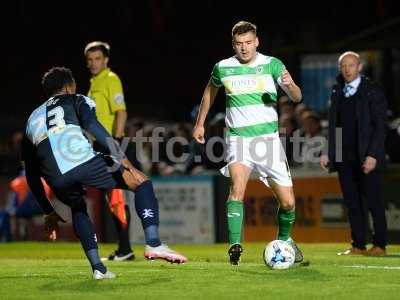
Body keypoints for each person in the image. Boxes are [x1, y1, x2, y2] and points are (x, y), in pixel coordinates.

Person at [22, 67, 187, 279]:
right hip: (81, 160)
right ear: (68, 86)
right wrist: (122, 157)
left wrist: (48, 210)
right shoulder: (76, 99)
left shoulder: (31, 118)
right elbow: (93, 126)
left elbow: (31, 171)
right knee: (141, 182)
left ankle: (98, 268)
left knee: (78, 208)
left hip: (54, 175)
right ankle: (154, 243)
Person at [192, 21, 303, 265]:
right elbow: (209, 92)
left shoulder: (272, 65)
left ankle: (284, 241)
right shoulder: (223, 68)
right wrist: (200, 123)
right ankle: (235, 245)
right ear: (233, 44)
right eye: (239, 44)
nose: (244, 48)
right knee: (237, 189)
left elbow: (296, 97)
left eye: (248, 43)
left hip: (268, 142)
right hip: (239, 140)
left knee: (288, 202)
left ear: (257, 42)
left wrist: (291, 84)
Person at [320, 51, 388, 256]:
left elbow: (380, 126)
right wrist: (328, 152)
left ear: (359, 67)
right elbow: (333, 126)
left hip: (366, 155)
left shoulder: (372, 91)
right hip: (344, 157)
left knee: (373, 201)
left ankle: (380, 245)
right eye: (344, 66)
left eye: (351, 65)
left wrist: (373, 155)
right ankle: (358, 244)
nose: (347, 69)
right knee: (352, 202)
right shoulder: (337, 91)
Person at [84, 41, 133, 261]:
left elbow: (121, 112)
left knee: (116, 196)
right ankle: (124, 248)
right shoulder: (94, 83)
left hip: (110, 144)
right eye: (90, 59)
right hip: (99, 145)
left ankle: (125, 249)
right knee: (112, 196)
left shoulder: (110, 80)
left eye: (98, 59)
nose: (94, 63)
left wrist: (117, 142)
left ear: (106, 60)